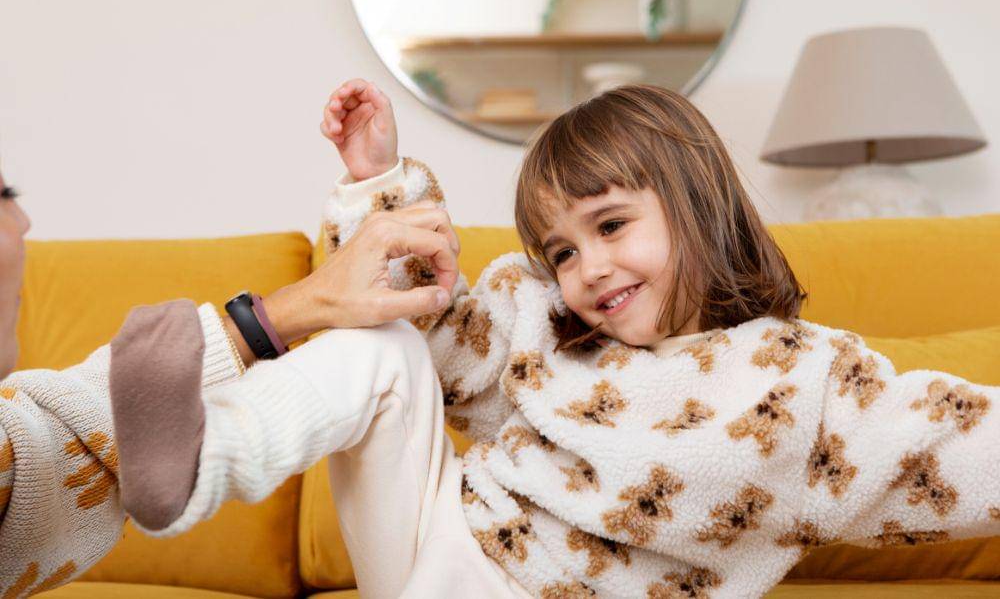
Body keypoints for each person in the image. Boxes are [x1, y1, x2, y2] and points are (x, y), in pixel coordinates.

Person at [312, 79, 1000, 598]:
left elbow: (949, 444)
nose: (590, 269)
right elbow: (433, 334)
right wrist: (379, 181)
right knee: (381, 344)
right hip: (437, 545)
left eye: (611, 227)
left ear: (696, 205)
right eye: (564, 252)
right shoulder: (542, 325)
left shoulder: (803, 385)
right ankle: (220, 434)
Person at [0, 160, 459, 595]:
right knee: (385, 346)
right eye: (4, 196)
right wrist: (379, 182)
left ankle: (205, 457)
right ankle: (208, 456)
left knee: (388, 346)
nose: (24, 222)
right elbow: (461, 345)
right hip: (471, 555)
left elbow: (37, 445)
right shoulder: (520, 306)